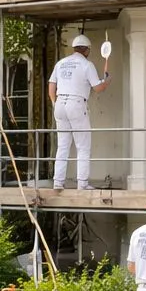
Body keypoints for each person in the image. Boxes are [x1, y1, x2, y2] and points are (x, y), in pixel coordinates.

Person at [49, 33, 110, 191]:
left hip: (59, 104)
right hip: (76, 104)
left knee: (63, 145)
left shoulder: (61, 63)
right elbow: (98, 88)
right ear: (87, 50)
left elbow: (51, 86)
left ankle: (58, 182)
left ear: (74, 48)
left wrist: (55, 104)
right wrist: (106, 82)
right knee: (83, 146)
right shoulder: (86, 65)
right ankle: (82, 183)